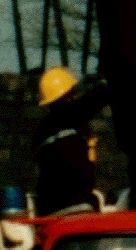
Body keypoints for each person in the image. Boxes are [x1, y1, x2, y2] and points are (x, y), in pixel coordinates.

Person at [33, 64, 109, 218]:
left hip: (47, 209)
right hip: (75, 206)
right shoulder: (71, 117)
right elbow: (93, 100)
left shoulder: (41, 131)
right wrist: (111, 81)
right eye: (73, 93)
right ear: (68, 96)